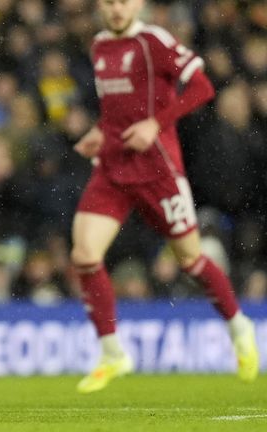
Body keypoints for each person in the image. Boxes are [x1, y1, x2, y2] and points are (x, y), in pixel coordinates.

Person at [71, 0, 259, 394]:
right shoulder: (100, 44)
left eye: (124, 1)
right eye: (108, 2)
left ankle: (239, 326)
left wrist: (155, 123)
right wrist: (100, 131)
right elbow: (117, 107)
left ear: (138, 4)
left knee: (190, 259)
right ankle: (112, 353)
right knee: (85, 254)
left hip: (158, 171)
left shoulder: (153, 41)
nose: (116, 9)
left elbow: (203, 87)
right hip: (112, 168)